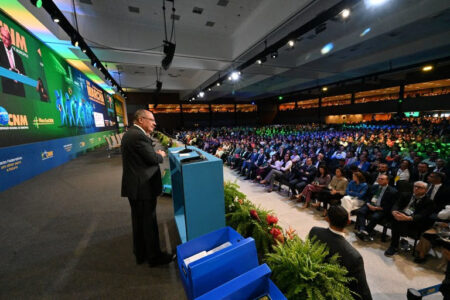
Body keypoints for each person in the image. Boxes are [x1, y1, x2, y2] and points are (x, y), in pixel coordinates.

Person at [121, 109, 174, 267]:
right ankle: (155, 257)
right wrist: (160, 155)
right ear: (140, 120)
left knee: (139, 223)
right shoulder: (138, 136)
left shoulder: (131, 134)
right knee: (148, 223)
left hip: (136, 186)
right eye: (151, 120)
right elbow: (152, 158)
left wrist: (154, 152)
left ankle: (141, 253)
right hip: (142, 188)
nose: (154, 123)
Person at [308, 205, 372, 300]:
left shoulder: (315, 231)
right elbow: (362, 290)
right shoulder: (353, 256)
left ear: (327, 219)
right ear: (348, 222)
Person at [384, 181, 435, 257]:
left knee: (397, 222)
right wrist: (394, 211)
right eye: (415, 186)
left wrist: (409, 218)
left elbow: (422, 215)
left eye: (419, 187)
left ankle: (394, 245)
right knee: (397, 220)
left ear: (425, 190)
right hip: (400, 216)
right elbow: (397, 204)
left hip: (413, 221)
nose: (416, 188)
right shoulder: (405, 195)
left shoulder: (429, 202)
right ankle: (399, 243)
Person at [355, 175, 397, 240]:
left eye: (382, 179)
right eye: (378, 178)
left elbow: (390, 205)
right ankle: (362, 229)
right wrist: (369, 204)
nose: (379, 180)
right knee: (360, 211)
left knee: (375, 217)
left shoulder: (393, 191)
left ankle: (366, 231)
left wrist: (378, 208)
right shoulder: (374, 187)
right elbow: (368, 198)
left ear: (387, 180)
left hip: (381, 209)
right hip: (370, 205)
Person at [0, 26, 26, 97]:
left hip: (20, 94)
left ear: (11, 40)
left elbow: (24, 75)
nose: (3, 39)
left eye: (6, 37)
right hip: (7, 93)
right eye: (2, 36)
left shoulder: (18, 57)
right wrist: (9, 71)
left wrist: (18, 74)